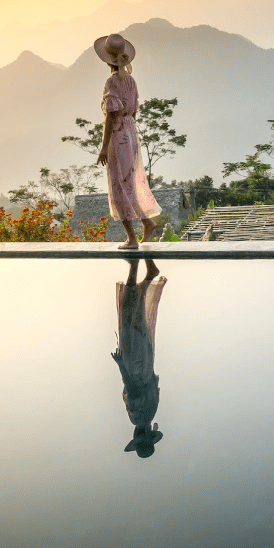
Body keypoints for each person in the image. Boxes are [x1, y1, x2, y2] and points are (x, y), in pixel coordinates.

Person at [94, 33, 162, 249]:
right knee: (129, 183)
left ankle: (133, 236)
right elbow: (133, 113)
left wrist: (104, 147)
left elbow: (111, 117)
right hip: (131, 135)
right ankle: (145, 222)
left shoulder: (112, 82)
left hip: (119, 136)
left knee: (120, 186)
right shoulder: (131, 81)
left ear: (107, 60)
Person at [111, 257, 166, 458]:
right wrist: (120, 365)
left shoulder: (152, 412)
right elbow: (133, 390)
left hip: (145, 360)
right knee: (129, 313)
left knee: (137, 316)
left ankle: (147, 274)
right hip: (134, 365)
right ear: (139, 435)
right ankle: (134, 266)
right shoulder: (138, 417)